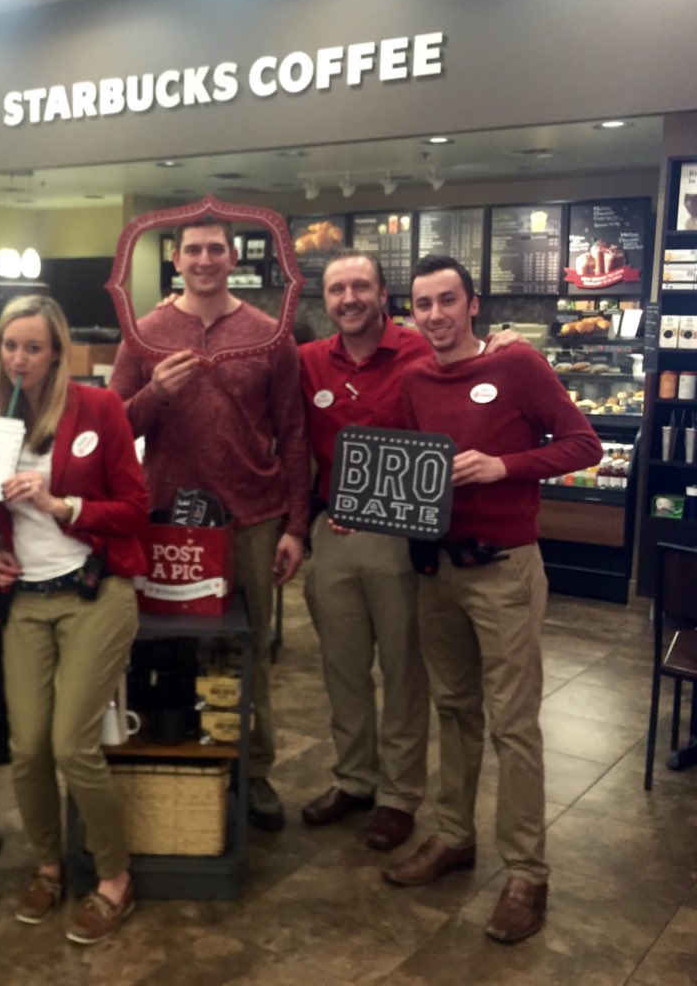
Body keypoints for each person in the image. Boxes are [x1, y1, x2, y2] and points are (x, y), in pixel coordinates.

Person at [384, 255, 602, 944]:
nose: (436, 315)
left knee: (514, 724)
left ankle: (526, 872)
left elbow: (583, 444)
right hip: (436, 570)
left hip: (505, 569)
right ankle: (453, 836)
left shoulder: (518, 366)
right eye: (423, 304)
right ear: (411, 312)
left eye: (448, 300)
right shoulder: (414, 377)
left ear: (473, 305)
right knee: (454, 709)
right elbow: (397, 461)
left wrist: (502, 465)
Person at [109, 216, 309, 832]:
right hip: (167, 520)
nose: (204, 259)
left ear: (232, 257)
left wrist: (297, 527)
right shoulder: (143, 333)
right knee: (168, 646)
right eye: (192, 249)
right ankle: (175, 758)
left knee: (248, 651)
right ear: (175, 257)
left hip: (251, 516)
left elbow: (295, 434)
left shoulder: (269, 333)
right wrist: (156, 394)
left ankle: (255, 772)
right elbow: (113, 431)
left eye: (214, 249)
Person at [0, 295, 149, 945]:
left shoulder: (98, 408)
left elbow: (134, 508)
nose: (20, 358)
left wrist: (61, 503)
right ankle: (49, 866)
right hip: (26, 599)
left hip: (94, 591)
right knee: (25, 749)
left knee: (72, 746)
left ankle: (114, 877)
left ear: (57, 351)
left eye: (33, 346)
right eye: (10, 345)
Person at [297, 251, 431, 850]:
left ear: (382, 293)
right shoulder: (307, 363)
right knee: (343, 668)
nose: (348, 298)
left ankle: (400, 796)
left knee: (403, 671)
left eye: (360, 287)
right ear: (324, 301)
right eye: (336, 290)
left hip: (401, 538)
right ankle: (354, 780)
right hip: (335, 533)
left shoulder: (419, 352)